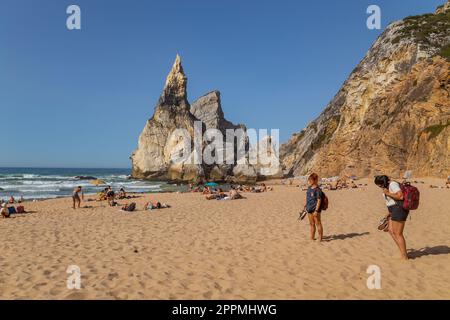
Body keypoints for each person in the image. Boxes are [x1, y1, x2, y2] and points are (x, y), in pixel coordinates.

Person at [374, 175, 409, 260]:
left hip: (399, 209)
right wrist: (387, 214)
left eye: (379, 185)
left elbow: (400, 196)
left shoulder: (392, 184)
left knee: (398, 234)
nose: (379, 187)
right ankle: (402, 251)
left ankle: (404, 256)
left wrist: (387, 193)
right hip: (393, 210)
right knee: (390, 230)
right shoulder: (387, 187)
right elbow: (390, 202)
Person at [303, 173, 324, 242]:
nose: (309, 181)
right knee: (311, 224)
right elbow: (307, 198)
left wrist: (316, 210)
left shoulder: (318, 190)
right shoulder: (309, 188)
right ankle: (312, 237)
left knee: (318, 223)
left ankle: (320, 238)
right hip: (309, 209)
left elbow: (319, 200)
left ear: (315, 180)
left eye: (310, 180)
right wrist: (305, 205)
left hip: (315, 210)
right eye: (309, 180)